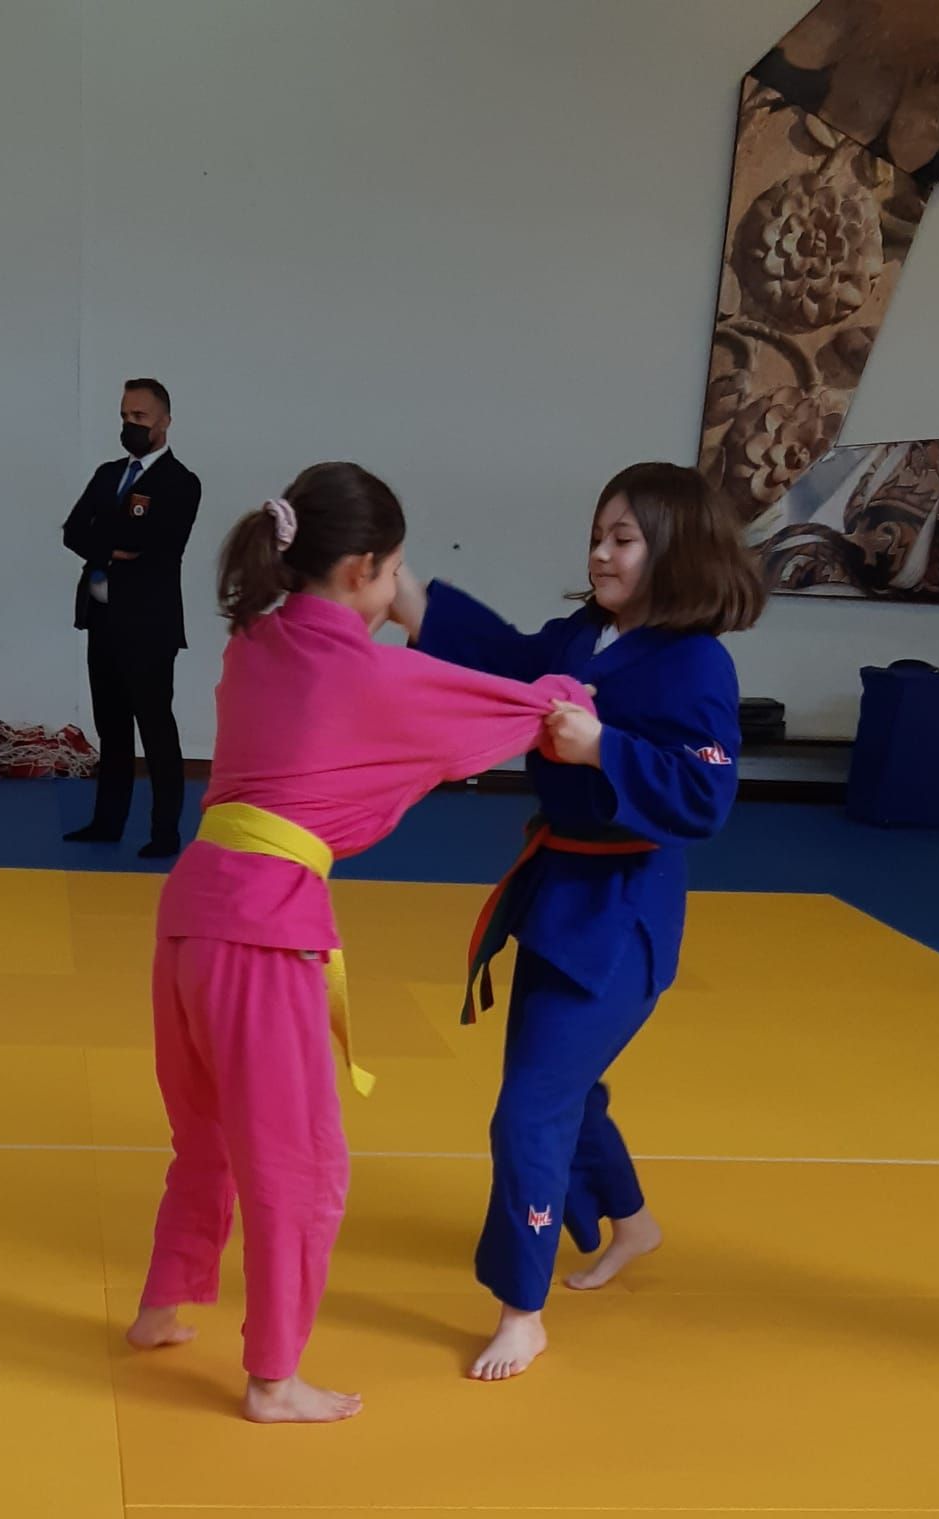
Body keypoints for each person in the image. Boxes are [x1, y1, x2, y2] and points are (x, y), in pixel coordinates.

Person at [124, 461, 593, 1424]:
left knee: (205, 1133)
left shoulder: (254, 643)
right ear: (361, 570)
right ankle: (273, 1379)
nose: (396, 591)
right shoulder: (368, 674)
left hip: (191, 913)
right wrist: (571, 694)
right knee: (298, 1164)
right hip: (265, 931)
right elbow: (511, 706)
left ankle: (162, 1306)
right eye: (394, 573)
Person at [392, 463, 765, 1382]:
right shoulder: (581, 635)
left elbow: (707, 795)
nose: (601, 553)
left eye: (623, 539)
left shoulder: (696, 662)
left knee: (531, 1109)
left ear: (675, 550)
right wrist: (405, 596)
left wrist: (605, 748)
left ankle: (522, 1309)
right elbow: (508, 661)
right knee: (565, 1087)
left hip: (624, 912)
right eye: (598, 534)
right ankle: (631, 1221)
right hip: (559, 892)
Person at [63, 379, 201, 858]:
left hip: (148, 625)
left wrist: (105, 538)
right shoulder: (107, 474)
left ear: (164, 421)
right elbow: (73, 531)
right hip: (101, 617)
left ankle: (165, 831)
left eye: (139, 417)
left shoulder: (180, 482)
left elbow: (154, 544)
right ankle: (107, 822)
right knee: (112, 727)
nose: (130, 425)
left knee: (156, 728)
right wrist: (110, 547)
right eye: (125, 417)